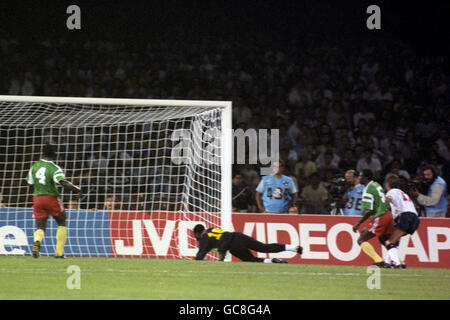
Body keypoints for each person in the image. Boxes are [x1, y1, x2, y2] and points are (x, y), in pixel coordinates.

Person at [25, 144, 83, 258]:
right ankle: (59, 253)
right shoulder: (54, 168)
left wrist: (39, 190)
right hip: (51, 198)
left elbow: (29, 183)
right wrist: (77, 189)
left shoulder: (34, 166)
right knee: (62, 222)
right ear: (54, 155)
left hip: (37, 198)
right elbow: (63, 182)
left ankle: (37, 241)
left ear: (42, 153)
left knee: (40, 226)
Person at [193, 224, 303, 263]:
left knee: (251, 260)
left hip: (234, 246)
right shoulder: (211, 230)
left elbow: (200, 257)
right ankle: (294, 247)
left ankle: (272, 261)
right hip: (238, 236)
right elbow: (222, 241)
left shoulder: (204, 239)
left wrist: (220, 259)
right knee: (264, 247)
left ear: (198, 234)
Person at [352, 169, 393, 267]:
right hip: (388, 214)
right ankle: (398, 262)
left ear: (366, 178)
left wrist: (358, 223)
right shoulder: (376, 184)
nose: (359, 178)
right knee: (384, 240)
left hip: (381, 216)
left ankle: (379, 261)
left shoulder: (368, 189)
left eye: (360, 176)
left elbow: (368, 211)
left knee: (361, 240)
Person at [383, 174, 420, 268]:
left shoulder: (392, 191)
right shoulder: (403, 193)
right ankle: (387, 262)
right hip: (414, 217)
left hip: (406, 215)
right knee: (394, 240)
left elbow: (387, 200)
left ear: (387, 184)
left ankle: (398, 263)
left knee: (389, 242)